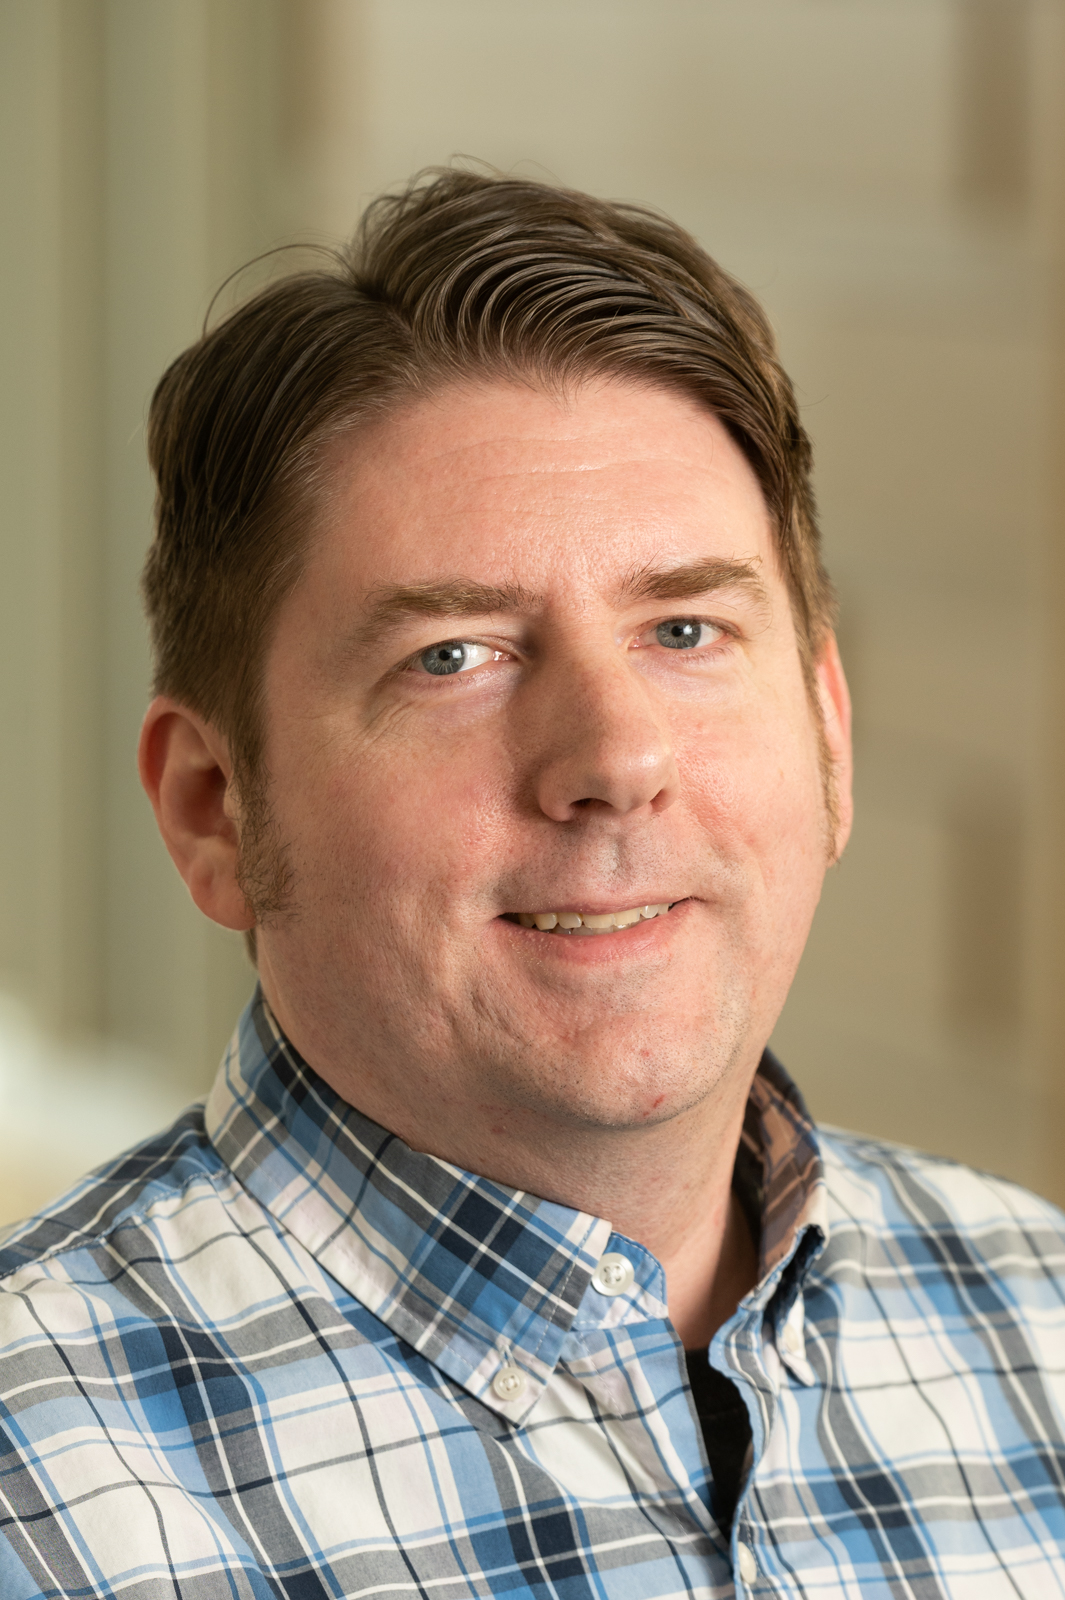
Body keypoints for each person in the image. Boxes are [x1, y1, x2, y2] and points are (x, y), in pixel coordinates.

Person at [1, 168, 1063, 1600]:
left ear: (826, 732)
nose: (615, 759)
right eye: (452, 657)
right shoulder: (36, 1488)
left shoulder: (1043, 1324)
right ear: (213, 809)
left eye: (684, 629)